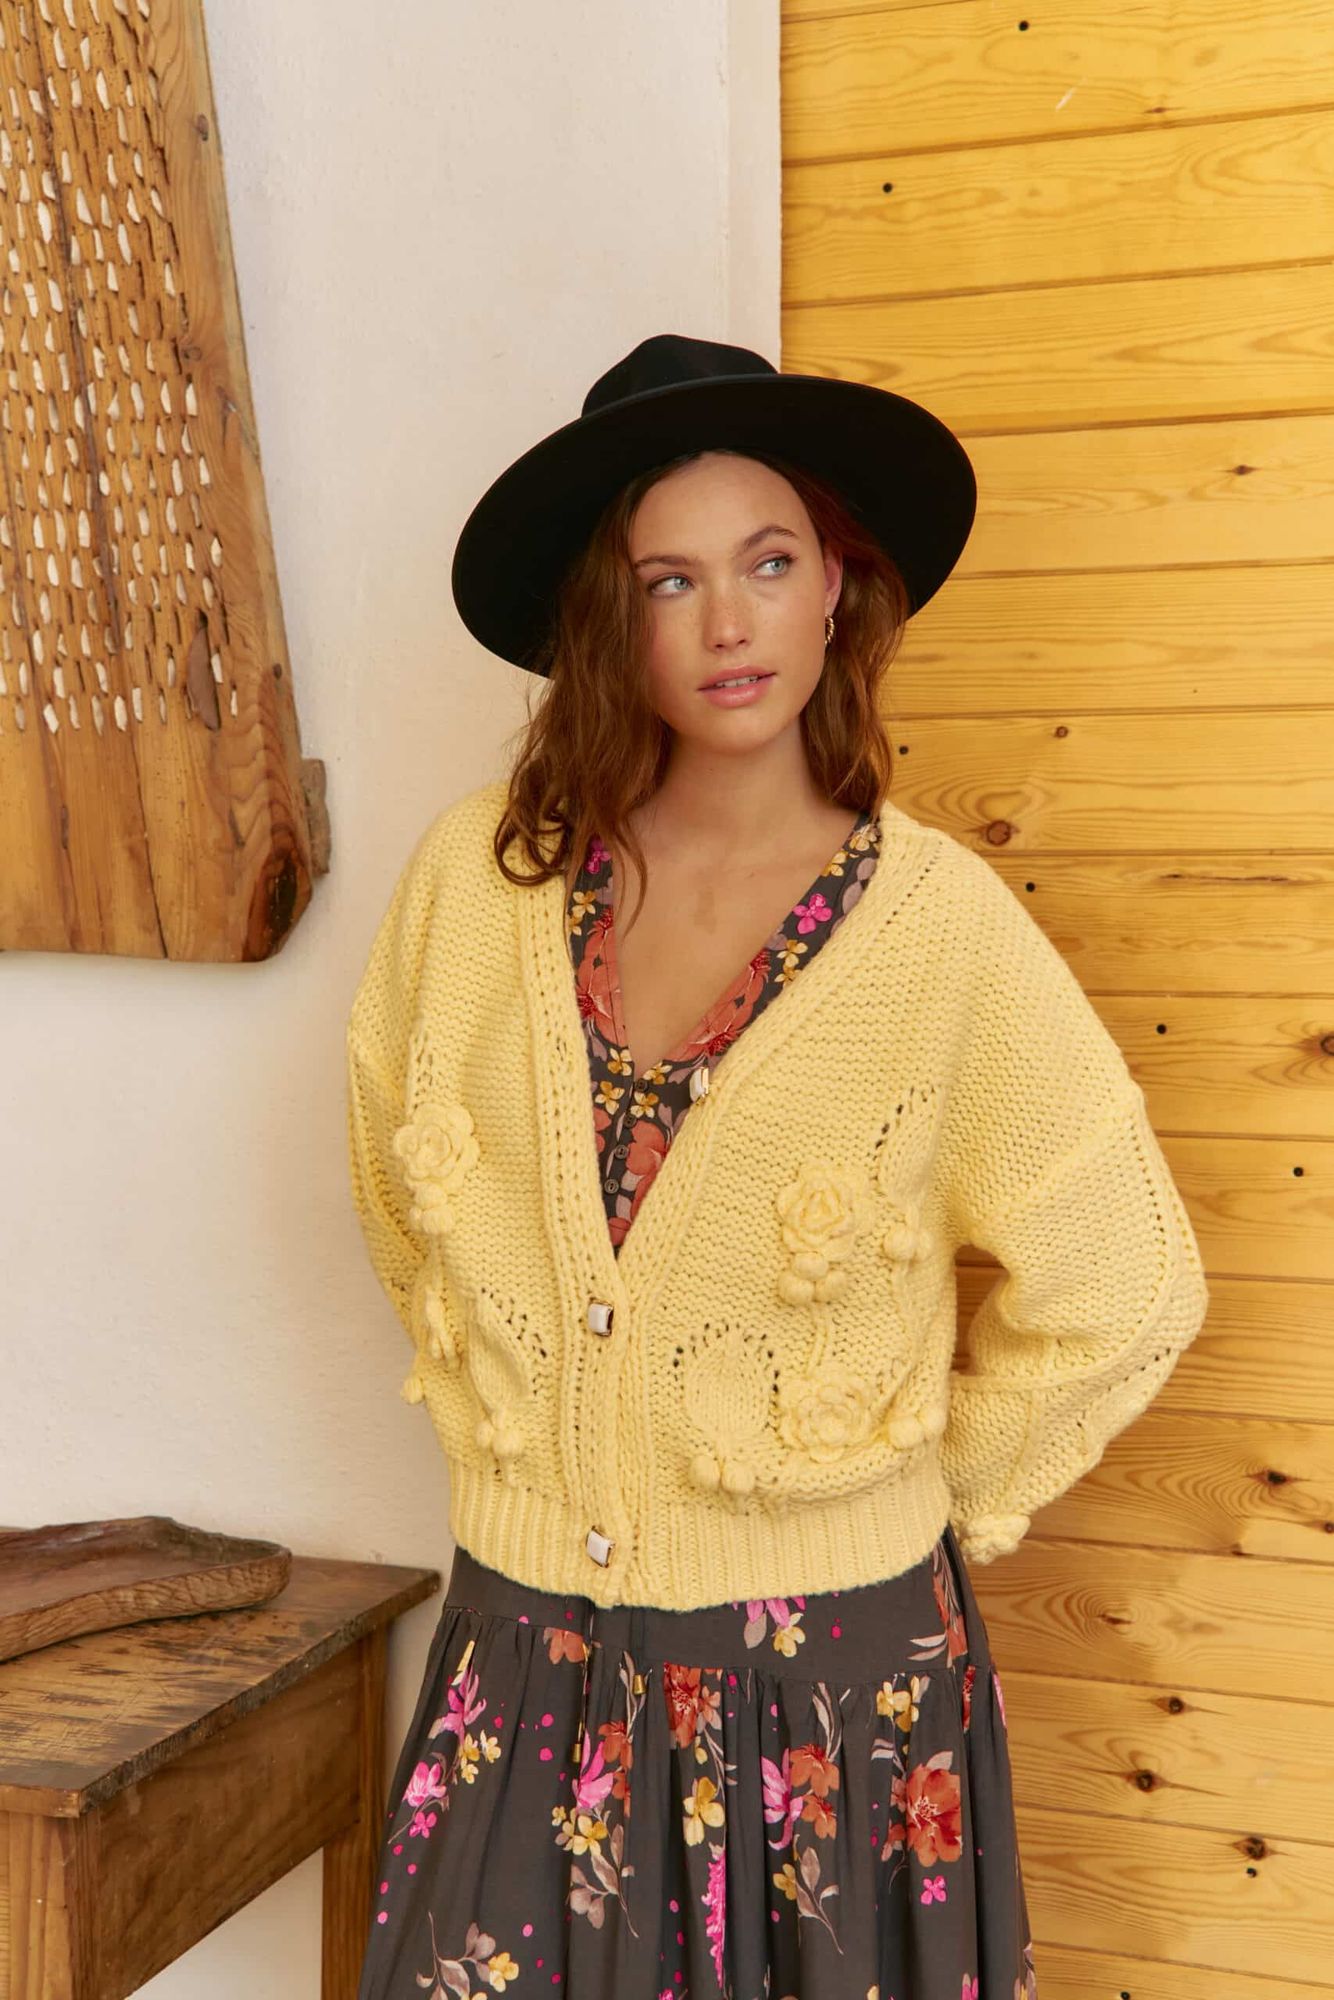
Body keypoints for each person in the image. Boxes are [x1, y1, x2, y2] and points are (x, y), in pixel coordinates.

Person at [345, 334, 1210, 1999]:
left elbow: (1126, 1282)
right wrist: (541, 1438)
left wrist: (914, 1487)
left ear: (836, 592)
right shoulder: (475, 882)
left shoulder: (941, 932)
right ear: (607, 622)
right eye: (667, 582)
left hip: (835, 1694)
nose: (726, 624)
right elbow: (401, 1198)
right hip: (525, 1653)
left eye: (767, 563)